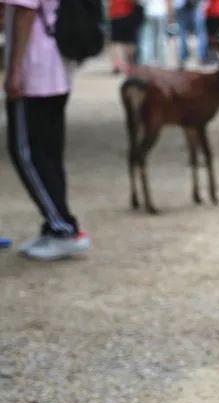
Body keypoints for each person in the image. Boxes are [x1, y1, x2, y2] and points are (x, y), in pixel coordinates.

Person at [4, 0, 91, 260]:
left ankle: (64, 229)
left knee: (25, 152)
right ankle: (55, 225)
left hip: (34, 70)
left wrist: (15, 70)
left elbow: (25, 12)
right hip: (57, 67)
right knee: (49, 154)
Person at [109, 0, 142, 73]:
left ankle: (119, 64)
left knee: (117, 42)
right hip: (127, 15)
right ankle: (126, 65)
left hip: (116, 15)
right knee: (127, 42)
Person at [175, 0, 209, 68]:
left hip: (194, 5)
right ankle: (199, 57)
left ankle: (200, 56)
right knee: (185, 32)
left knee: (185, 32)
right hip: (186, 6)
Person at [139, 0, 173, 66]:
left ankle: (149, 62)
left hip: (150, 12)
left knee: (149, 39)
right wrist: (170, 16)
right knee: (161, 38)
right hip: (161, 12)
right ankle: (162, 61)